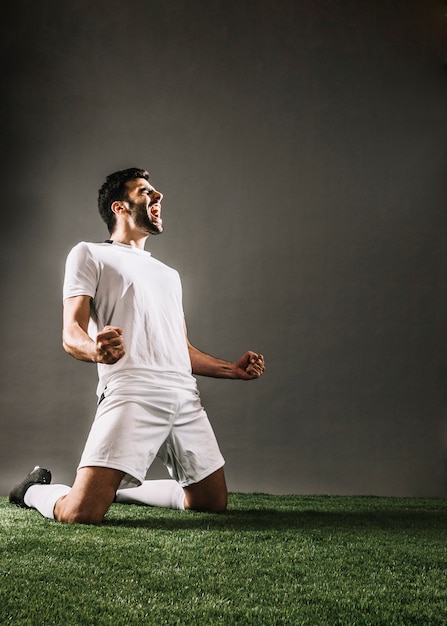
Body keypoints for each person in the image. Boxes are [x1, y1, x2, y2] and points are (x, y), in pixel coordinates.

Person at [9, 167, 265, 524]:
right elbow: (71, 333)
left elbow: (180, 348)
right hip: (133, 392)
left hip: (183, 396)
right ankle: (33, 490)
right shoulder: (89, 254)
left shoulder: (169, 275)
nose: (157, 197)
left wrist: (230, 370)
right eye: (145, 192)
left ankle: (111, 488)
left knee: (210, 502)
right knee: (80, 513)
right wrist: (95, 349)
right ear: (119, 207)